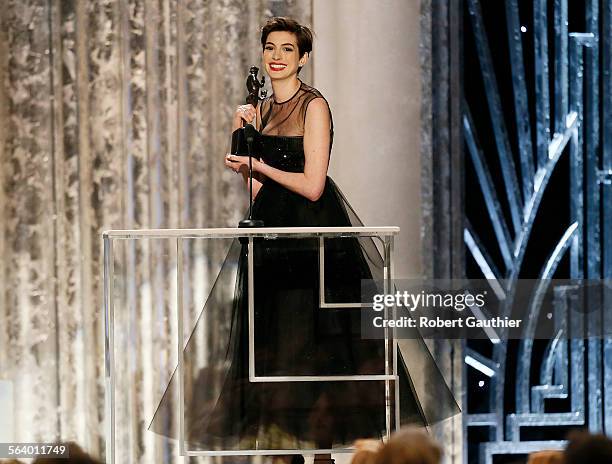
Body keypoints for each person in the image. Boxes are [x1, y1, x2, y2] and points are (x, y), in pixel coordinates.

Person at [150, 16, 458, 462]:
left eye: (287, 50)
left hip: (316, 242)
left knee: (322, 354)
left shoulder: (314, 106)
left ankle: (321, 454)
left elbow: (313, 184)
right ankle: (285, 451)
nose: (276, 57)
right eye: (270, 48)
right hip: (275, 240)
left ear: (303, 58)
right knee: (280, 354)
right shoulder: (263, 111)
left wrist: (262, 167)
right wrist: (245, 144)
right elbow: (260, 191)